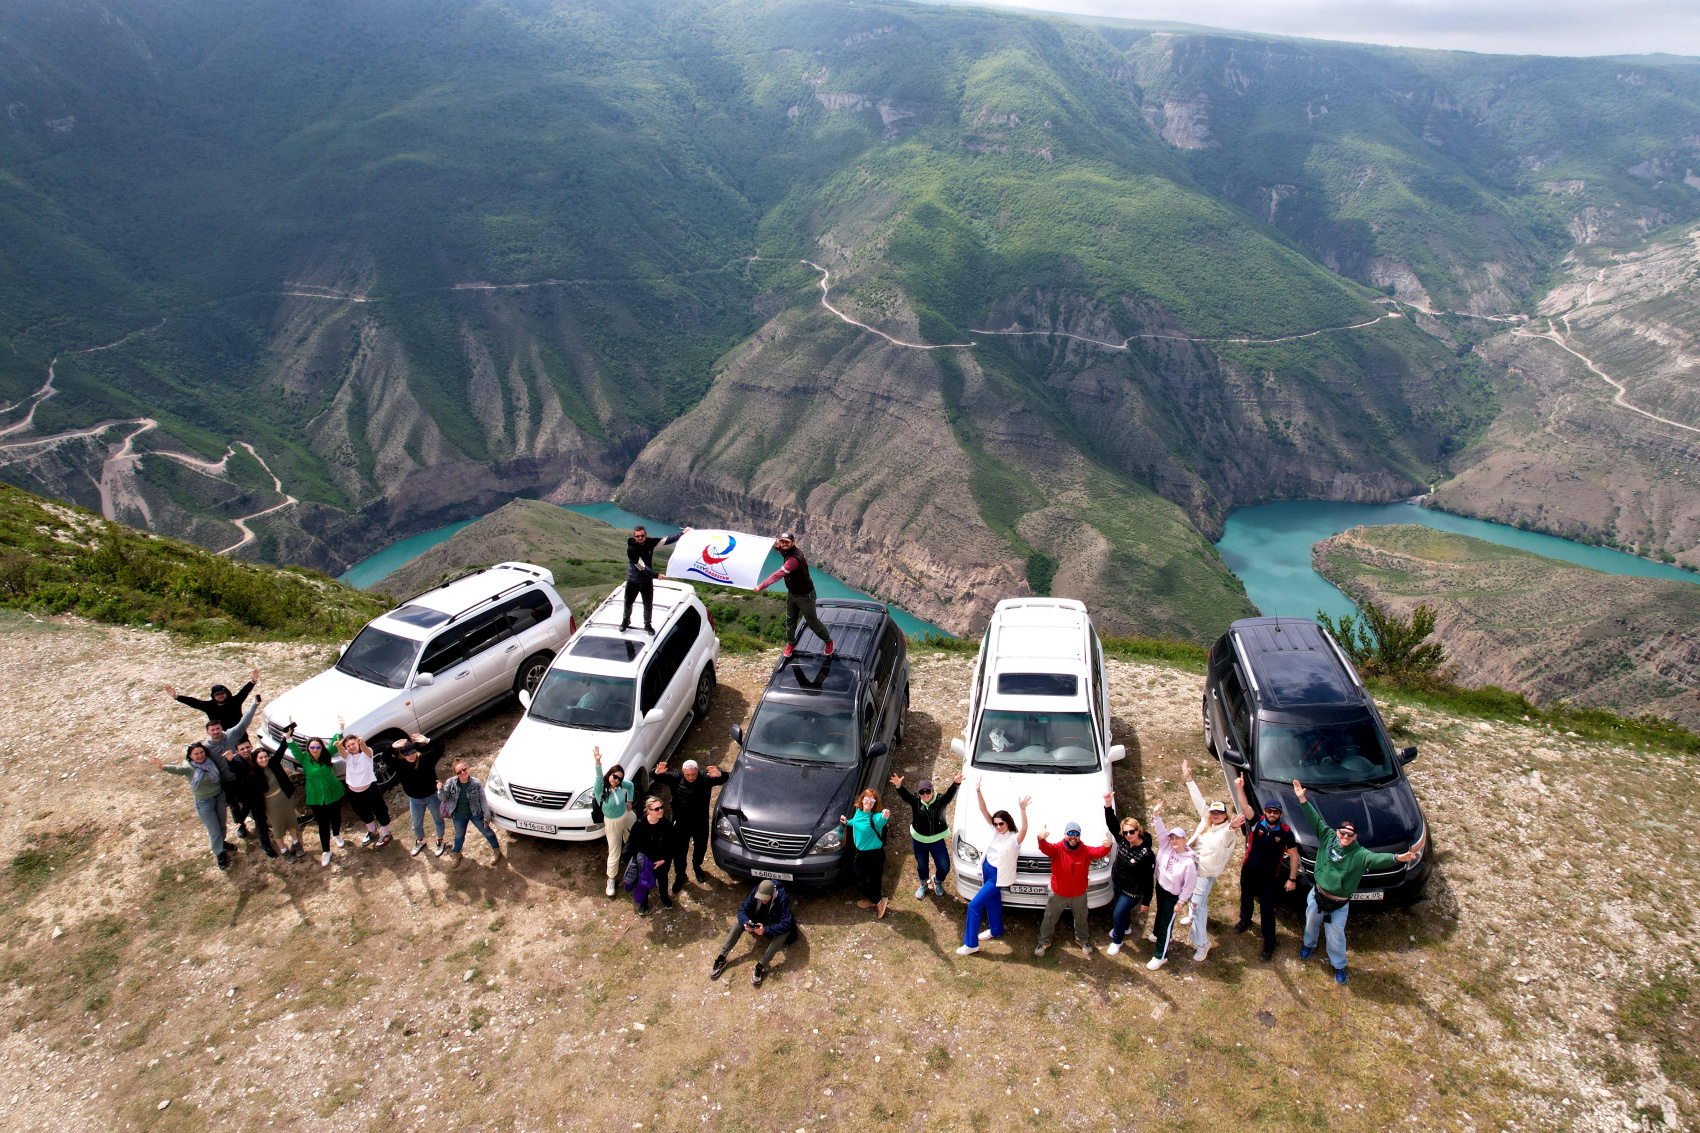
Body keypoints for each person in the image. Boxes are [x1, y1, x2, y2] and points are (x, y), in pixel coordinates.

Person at [1294, 780, 1424, 984]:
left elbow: (1376, 860)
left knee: (1336, 936)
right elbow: (1313, 818)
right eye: (1342, 832)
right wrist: (1302, 798)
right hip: (1317, 896)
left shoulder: (1360, 854)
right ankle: (1309, 945)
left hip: (1339, 904)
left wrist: (1397, 858)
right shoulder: (1327, 836)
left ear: (1355, 837)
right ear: (1337, 832)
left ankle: (1338, 965)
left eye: (1350, 834)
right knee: (1311, 923)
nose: (1345, 836)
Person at [1179, 759, 1246, 962]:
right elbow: (1198, 800)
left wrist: (1232, 827)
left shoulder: (1227, 832)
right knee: (1195, 897)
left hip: (1206, 873)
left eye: (1220, 813)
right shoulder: (1205, 820)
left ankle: (1202, 943)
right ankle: (1191, 913)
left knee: (1198, 904)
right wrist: (1189, 778)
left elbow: (1227, 834)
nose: (1215, 815)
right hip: (1192, 866)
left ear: (1226, 816)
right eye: (1213, 812)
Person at [1231, 774, 1299, 961]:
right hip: (1249, 870)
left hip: (1269, 878)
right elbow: (1245, 807)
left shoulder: (1285, 833)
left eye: (1275, 812)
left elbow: (1294, 855)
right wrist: (1239, 787)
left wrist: (1292, 878)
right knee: (1246, 896)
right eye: (1269, 811)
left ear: (1280, 815)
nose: (1271, 815)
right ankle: (1245, 920)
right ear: (1265, 811)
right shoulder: (1256, 821)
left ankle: (1269, 943)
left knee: (1267, 910)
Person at [957, 785, 1030, 956]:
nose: (998, 827)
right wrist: (978, 791)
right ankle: (996, 930)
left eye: (1001, 824)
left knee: (974, 906)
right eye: (996, 824)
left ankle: (971, 944)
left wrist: (1023, 810)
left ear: (1008, 823)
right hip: (987, 869)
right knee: (993, 902)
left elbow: (1025, 829)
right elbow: (983, 809)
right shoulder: (994, 831)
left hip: (998, 876)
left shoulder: (1013, 839)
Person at [1033, 819, 1112, 958]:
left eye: (1076, 834)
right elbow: (1044, 848)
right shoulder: (1057, 849)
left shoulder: (1086, 851)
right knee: (1049, 918)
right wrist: (1040, 838)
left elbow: (1101, 852)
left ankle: (1082, 940)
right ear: (1065, 834)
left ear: (1080, 836)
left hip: (1079, 895)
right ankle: (1044, 942)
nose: (1073, 837)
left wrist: (1108, 846)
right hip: (1058, 894)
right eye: (1070, 833)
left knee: (1082, 918)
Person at [151, 743, 235, 870]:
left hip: (219, 797)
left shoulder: (209, 761)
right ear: (190, 756)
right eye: (196, 754)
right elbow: (179, 770)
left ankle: (222, 843)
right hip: (205, 802)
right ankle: (219, 853)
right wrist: (163, 767)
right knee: (214, 830)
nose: (200, 756)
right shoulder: (189, 767)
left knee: (222, 824)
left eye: (201, 752)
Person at [753, 532, 834, 660]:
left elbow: (777, 575)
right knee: (790, 621)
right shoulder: (789, 551)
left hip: (805, 596)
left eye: (787, 542)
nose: (784, 544)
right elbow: (783, 551)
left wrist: (761, 586)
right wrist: (777, 546)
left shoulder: (794, 560)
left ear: (793, 542)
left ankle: (829, 642)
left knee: (812, 623)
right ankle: (791, 644)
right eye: (782, 541)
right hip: (793, 594)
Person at [652, 758, 728, 887]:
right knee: (679, 851)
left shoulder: (705, 778)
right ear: (683, 772)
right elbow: (657, 777)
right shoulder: (676, 777)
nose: (691, 777)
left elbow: (724, 778)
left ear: (698, 771)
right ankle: (680, 874)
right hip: (681, 822)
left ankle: (697, 866)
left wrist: (720, 774)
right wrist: (656, 772)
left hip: (700, 821)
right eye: (688, 775)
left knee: (701, 847)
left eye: (693, 774)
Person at [710, 879, 798, 988]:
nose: (762, 899)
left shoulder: (782, 898)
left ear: (773, 893)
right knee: (739, 922)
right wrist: (746, 922)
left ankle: (761, 965)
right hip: (759, 919)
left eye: (765, 898)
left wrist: (766, 930)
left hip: (773, 923)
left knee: (784, 933)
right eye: (760, 896)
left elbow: (786, 923)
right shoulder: (756, 891)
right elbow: (742, 911)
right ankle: (722, 957)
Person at [283, 722, 346, 867]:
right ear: (308, 748)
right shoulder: (304, 758)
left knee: (336, 816)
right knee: (323, 824)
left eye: (318, 747)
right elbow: (293, 748)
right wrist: (288, 737)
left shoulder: (326, 754)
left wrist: (340, 728)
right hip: (316, 795)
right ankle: (326, 850)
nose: (315, 749)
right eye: (312, 747)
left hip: (333, 791)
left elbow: (335, 742)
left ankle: (336, 834)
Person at [892, 771, 962, 899]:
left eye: (928, 791)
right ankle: (923, 884)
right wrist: (899, 786)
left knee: (944, 867)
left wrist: (956, 783)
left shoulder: (941, 800)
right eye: (922, 792)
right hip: (919, 840)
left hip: (937, 841)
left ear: (933, 791)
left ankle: (937, 881)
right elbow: (905, 796)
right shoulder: (916, 801)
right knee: (922, 864)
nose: (925, 795)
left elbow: (949, 795)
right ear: (919, 793)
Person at [1146, 801, 1198, 971]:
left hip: (1173, 896)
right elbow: (1160, 832)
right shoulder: (1167, 847)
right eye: (1172, 838)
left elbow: (1189, 886)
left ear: (1184, 840)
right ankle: (1155, 935)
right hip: (1161, 888)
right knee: (1159, 913)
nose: (1174, 841)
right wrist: (1156, 815)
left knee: (1166, 924)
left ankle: (1160, 956)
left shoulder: (1189, 863)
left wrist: (1180, 902)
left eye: (1178, 838)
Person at [1102, 792, 1155, 957]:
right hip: (1118, 883)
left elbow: (1148, 880)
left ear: (1138, 831)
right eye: (1125, 833)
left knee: (1117, 913)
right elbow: (1112, 824)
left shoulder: (1147, 854)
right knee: (1121, 911)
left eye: (1131, 832)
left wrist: (1146, 901)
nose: (1128, 835)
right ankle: (1126, 928)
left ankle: (1117, 941)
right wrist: (1108, 804)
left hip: (1132, 891)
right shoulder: (1123, 842)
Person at [621, 524, 686, 633]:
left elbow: (666, 540)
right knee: (628, 602)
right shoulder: (631, 549)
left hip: (646, 581)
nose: (640, 538)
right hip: (633, 580)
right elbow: (640, 566)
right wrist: (656, 575)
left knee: (648, 604)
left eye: (642, 535)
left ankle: (647, 625)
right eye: (637, 536)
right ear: (634, 536)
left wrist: (683, 533)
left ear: (645, 535)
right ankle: (625, 621)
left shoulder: (650, 542)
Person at [838, 789, 890, 918]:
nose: (868, 802)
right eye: (866, 799)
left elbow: (882, 819)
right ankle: (874, 899)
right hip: (860, 853)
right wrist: (847, 822)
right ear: (862, 800)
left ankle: (878, 901)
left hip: (875, 854)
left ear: (874, 803)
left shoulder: (875, 818)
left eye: (872, 801)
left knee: (874, 879)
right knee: (857, 878)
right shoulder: (858, 812)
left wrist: (885, 815)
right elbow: (856, 823)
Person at [625, 796, 683, 912]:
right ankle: (644, 903)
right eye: (656, 809)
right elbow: (632, 846)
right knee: (643, 882)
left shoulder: (666, 824)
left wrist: (664, 860)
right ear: (648, 811)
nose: (660, 810)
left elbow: (672, 845)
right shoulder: (639, 826)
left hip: (661, 860)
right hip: (646, 861)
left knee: (663, 881)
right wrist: (641, 861)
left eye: (661, 807)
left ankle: (664, 897)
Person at [392, 733, 447, 857]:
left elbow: (440, 748)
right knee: (416, 824)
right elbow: (386, 758)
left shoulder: (426, 759)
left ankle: (440, 841)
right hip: (415, 799)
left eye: (412, 752)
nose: (411, 756)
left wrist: (427, 740)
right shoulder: (400, 765)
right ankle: (420, 841)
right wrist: (391, 748)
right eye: (407, 754)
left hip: (432, 796)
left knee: (438, 820)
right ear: (402, 755)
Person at [438, 760, 503, 863]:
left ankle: (496, 850)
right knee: (459, 835)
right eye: (459, 772)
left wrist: (487, 816)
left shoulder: (476, 783)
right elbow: (443, 798)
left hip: (475, 814)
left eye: (464, 769)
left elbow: (483, 800)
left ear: (467, 768)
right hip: (458, 815)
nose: (463, 773)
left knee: (487, 832)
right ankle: (456, 854)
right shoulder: (451, 782)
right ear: (456, 774)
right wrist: (440, 789)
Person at [337, 729, 393, 849]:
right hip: (354, 791)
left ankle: (386, 833)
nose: (351, 747)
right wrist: (339, 747)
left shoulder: (366, 754)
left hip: (370, 789)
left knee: (379, 810)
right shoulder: (348, 757)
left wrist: (362, 743)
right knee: (361, 811)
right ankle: (372, 830)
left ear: (357, 743)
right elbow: (342, 753)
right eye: (348, 746)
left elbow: (367, 750)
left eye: (353, 744)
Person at [592, 748, 636, 897]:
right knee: (614, 851)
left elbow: (630, 786)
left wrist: (629, 801)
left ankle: (634, 862)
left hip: (626, 816)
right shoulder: (600, 789)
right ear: (610, 774)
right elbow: (599, 777)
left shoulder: (621, 785)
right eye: (614, 776)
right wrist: (598, 761)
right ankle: (611, 879)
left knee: (634, 837)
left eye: (619, 778)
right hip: (612, 823)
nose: (616, 780)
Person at [226, 738, 279, 858]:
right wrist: (230, 761)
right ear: (237, 752)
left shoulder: (254, 756)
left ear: (251, 746)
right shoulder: (238, 762)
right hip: (251, 797)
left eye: (247, 747)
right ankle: (266, 846)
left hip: (264, 792)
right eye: (242, 749)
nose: (245, 750)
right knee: (260, 822)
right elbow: (235, 769)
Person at [164, 668, 259, 734]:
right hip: (220, 736)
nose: (220, 696)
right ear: (213, 697)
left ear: (227, 693)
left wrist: (253, 682)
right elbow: (193, 702)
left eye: (222, 693)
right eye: (217, 694)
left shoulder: (234, 701)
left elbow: (244, 691)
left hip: (239, 733)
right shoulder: (209, 706)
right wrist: (176, 697)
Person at [252, 743, 303, 859]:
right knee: (277, 827)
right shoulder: (254, 774)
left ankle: (296, 843)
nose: (264, 759)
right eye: (260, 758)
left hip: (285, 798)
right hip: (271, 804)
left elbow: (281, 749)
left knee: (291, 821)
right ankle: (283, 850)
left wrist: (287, 736)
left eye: (265, 756)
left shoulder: (273, 764)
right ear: (255, 760)